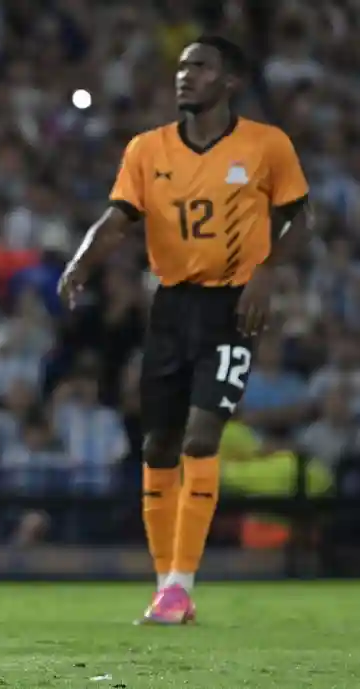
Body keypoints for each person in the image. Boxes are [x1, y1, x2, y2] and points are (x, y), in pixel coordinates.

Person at [58, 36, 310, 625]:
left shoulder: (266, 145)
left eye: (200, 66)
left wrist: (267, 273)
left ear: (230, 82)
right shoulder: (147, 150)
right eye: (181, 66)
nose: (186, 75)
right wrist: (81, 261)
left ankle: (180, 585)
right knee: (158, 446)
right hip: (170, 306)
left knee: (201, 437)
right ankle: (164, 582)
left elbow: (299, 215)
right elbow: (118, 217)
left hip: (232, 308)